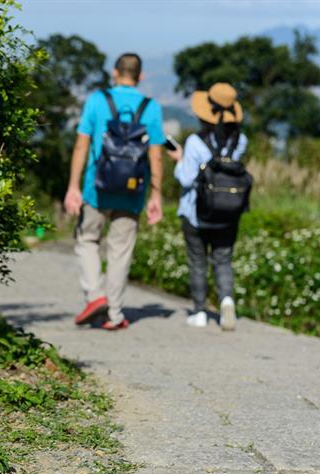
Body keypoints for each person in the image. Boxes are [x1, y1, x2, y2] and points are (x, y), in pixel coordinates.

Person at [65, 53, 165, 330]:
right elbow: (156, 156)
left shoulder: (97, 100)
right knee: (120, 250)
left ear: (114, 72)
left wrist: (73, 187)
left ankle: (95, 296)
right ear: (140, 76)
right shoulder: (151, 107)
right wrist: (156, 195)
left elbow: (81, 146)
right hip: (133, 190)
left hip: (95, 188)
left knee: (87, 240)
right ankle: (115, 314)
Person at [167, 82, 247, 330]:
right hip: (229, 212)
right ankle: (226, 301)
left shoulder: (194, 142)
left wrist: (179, 160)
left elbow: (187, 179)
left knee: (198, 262)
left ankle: (200, 312)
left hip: (196, 212)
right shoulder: (241, 140)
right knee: (223, 260)